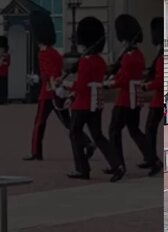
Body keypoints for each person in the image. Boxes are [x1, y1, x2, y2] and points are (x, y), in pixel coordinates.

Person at [24, 11, 95, 161]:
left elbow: (50, 74)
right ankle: (87, 142)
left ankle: (36, 152)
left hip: (48, 91)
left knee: (39, 122)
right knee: (68, 122)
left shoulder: (43, 53)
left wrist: (50, 84)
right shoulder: (55, 52)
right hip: (58, 91)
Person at [62, 16, 125, 182]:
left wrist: (65, 86)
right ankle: (117, 164)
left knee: (74, 133)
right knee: (98, 135)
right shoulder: (99, 60)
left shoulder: (86, 61)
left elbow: (81, 86)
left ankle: (82, 168)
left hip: (82, 104)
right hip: (96, 103)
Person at [103, 14, 150, 171]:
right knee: (134, 130)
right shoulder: (138, 55)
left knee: (114, 131)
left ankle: (118, 164)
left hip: (124, 100)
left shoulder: (129, 57)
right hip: (135, 99)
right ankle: (152, 159)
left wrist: (108, 84)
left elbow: (123, 80)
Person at [141, 17, 164, 176]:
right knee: (150, 130)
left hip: (159, 100)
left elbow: (161, 79)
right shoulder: (160, 51)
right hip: (160, 99)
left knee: (150, 130)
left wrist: (146, 86)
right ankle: (150, 159)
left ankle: (153, 160)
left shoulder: (163, 54)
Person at [0, 36, 10, 105]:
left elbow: (8, 63)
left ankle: (4, 99)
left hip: (4, 73)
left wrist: (3, 60)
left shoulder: (7, 55)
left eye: (2, 48)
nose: (1, 49)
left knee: (4, 87)